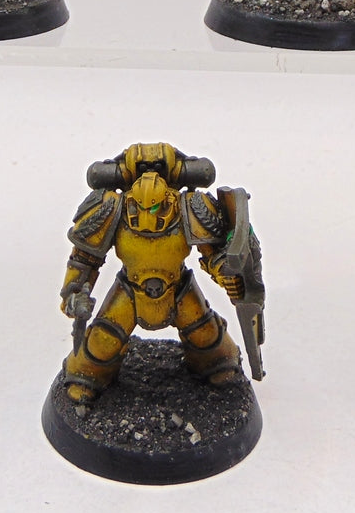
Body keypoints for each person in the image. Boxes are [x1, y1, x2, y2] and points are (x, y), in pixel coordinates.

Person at [58, 143, 252, 404]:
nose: (148, 216)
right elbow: (84, 259)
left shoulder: (190, 206)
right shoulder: (110, 207)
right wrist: (73, 293)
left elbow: (213, 253)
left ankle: (216, 364)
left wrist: (227, 274)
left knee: (207, 337)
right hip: (130, 289)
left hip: (178, 287)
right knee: (102, 342)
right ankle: (86, 376)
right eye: (138, 209)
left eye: (158, 209)